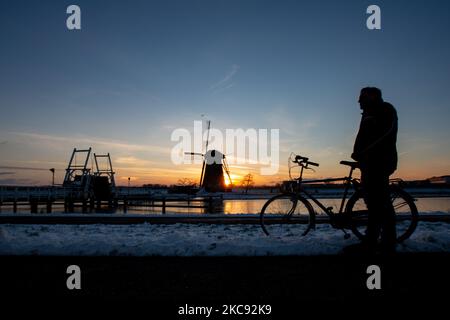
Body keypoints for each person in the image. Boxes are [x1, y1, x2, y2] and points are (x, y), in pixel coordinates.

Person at [347, 87, 398, 254]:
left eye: (362, 98)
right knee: (374, 203)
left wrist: (363, 152)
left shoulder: (385, 109)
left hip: (380, 162)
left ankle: (383, 243)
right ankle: (375, 241)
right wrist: (360, 154)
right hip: (369, 162)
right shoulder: (370, 112)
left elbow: (384, 134)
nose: (359, 102)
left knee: (379, 203)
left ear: (371, 97)